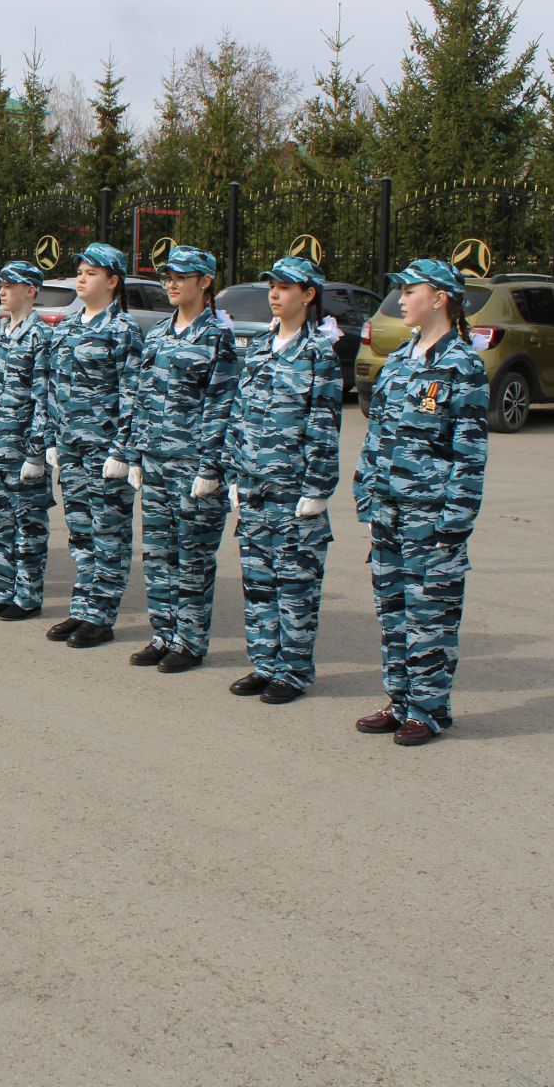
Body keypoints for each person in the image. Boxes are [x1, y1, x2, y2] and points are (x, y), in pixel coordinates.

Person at [353, 258, 489, 746]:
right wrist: (366, 498)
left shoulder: (463, 366)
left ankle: (429, 712)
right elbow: (375, 436)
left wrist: (454, 524)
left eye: (410, 291)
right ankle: (400, 701)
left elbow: (469, 454)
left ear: (441, 298)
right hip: (388, 511)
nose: (402, 300)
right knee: (392, 612)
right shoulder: (399, 360)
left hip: (431, 517)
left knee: (430, 614)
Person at [225, 256, 344, 705]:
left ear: (308, 295)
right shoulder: (258, 346)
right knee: (257, 581)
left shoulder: (319, 355)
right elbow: (238, 413)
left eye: (286, 287)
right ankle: (263, 663)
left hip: (294, 490)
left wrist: (317, 488)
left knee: (295, 585)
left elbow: (325, 425)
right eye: (272, 286)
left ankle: (292, 671)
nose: (275, 294)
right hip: (254, 487)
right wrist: (234, 472)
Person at [126, 244, 239, 672]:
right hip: (155, 462)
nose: (171, 284)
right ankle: (163, 633)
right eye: (167, 278)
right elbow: (139, 398)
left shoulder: (218, 338)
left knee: (191, 556)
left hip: (193, 466)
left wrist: (212, 467)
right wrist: (135, 452)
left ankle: (189, 641)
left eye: (181, 277)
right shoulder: (157, 333)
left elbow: (221, 406)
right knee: (156, 553)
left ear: (205, 282)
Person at [45, 243, 142, 649]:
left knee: (108, 534)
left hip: (104, 454)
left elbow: (132, 395)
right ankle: (83, 608)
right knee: (80, 533)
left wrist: (123, 452)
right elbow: (52, 387)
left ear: (113, 282)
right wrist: (52, 438)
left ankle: (101, 616)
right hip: (71, 450)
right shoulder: (67, 327)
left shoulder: (124, 331)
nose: (81, 279)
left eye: (92, 273)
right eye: (80, 272)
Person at [0, 260, 54, 620]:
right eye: (1, 285)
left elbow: (43, 399)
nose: (2, 291)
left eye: (10, 285)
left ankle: (27, 596)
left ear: (31, 291)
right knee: (0, 526)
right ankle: (4, 591)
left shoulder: (40, 337)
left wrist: (36, 454)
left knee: (28, 529)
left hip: (22, 452)